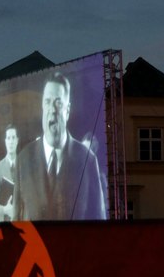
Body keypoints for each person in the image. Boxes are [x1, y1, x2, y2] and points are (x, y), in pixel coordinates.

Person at [15, 71, 106, 220]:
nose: (52, 110)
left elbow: (99, 224)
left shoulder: (87, 161)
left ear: (68, 110)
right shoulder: (24, 159)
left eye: (58, 103)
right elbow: (16, 222)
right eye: (47, 102)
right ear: (42, 107)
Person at [0, 124, 18, 221]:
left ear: (17, 141)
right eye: (8, 138)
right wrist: (5, 210)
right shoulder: (0, 167)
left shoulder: (23, 165)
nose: (11, 141)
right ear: (5, 141)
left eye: (13, 138)